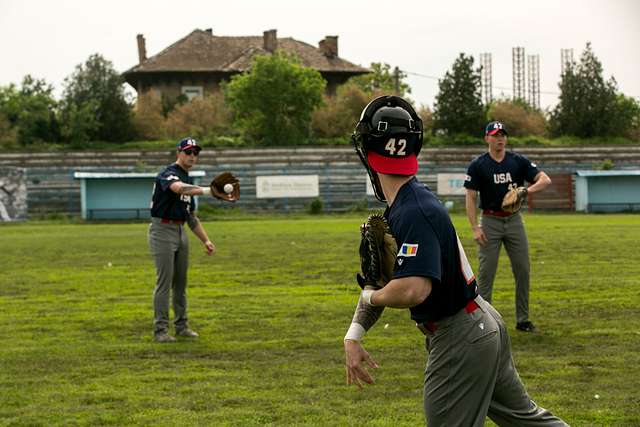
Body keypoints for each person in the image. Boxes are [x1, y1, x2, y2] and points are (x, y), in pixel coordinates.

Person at [343, 96, 567, 426]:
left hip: (461, 334)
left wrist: (370, 296)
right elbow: (384, 280)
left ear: (368, 153)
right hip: (477, 323)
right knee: (530, 422)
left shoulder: (414, 211)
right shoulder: (408, 204)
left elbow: (411, 290)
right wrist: (354, 334)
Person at [464, 121, 551, 333]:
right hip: (490, 221)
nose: (500, 138)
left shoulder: (517, 161)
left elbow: (544, 180)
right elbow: (470, 196)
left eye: (502, 134)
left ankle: (523, 320)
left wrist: (525, 192)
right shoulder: (478, 165)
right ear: (487, 138)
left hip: (514, 221)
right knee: (486, 274)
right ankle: (484, 322)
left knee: (523, 269)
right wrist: (475, 227)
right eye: (495, 135)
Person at [148, 137, 217, 343]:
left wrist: (205, 240)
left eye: (196, 153)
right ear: (179, 153)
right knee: (164, 282)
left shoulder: (187, 179)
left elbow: (190, 216)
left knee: (180, 283)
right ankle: (160, 330)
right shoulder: (167, 174)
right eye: (188, 152)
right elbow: (178, 188)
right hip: (162, 230)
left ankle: (181, 326)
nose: (192, 156)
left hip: (179, 230)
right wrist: (208, 191)